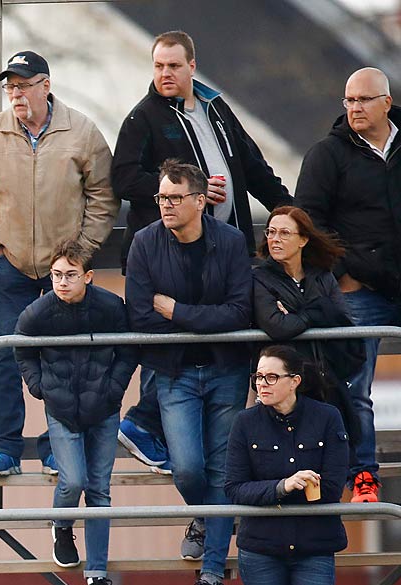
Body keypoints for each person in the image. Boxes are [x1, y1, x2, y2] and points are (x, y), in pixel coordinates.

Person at [111, 31, 292, 474]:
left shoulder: (216, 108)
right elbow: (122, 178)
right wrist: (185, 194)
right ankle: (145, 426)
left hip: (227, 247)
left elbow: (252, 166)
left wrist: (290, 214)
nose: (165, 74)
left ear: (192, 66)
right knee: (170, 350)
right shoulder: (144, 117)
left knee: (224, 341)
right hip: (166, 254)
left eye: (173, 66)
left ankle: (199, 466)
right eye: (158, 66)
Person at [0, 50, 117, 478]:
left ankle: (57, 446)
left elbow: (104, 197)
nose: (15, 94)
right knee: (6, 355)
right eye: (9, 87)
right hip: (12, 265)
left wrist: (81, 252)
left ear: (45, 86)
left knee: (63, 358)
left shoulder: (82, 131)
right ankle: (5, 448)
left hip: (65, 269)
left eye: (23, 85)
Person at [125, 159, 254, 585]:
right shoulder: (144, 242)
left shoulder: (232, 241)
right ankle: (204, 516)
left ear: (201, 201)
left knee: (221, 470)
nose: (165, 205)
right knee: (187, 468)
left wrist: (177, 312)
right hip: (175, 372)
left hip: (227, 370)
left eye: (175, 198)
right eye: (161, 197)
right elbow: (140, 314)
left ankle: (213, 573)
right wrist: (201, 321)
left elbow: (240, 312)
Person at [295, 66, 401, 503]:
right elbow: (308, 223)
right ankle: (363, 476)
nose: (354, 108)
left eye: (362, 100)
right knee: (354, 388)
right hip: (361, 291)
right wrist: (346, 274)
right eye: (348, 100)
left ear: (386, 103)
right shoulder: (327, 155)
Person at [15, 243, 139, 585]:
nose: (62, 282)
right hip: (62, 408)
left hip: (103, 407)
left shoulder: (109, 306)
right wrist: (39, 387)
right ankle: (62, 524)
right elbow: (21, 348)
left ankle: (97, 579)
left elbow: (130, 348)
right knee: (73, 480)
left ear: (87, 276)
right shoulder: (38, 311)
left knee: (99, 490)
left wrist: (115, 388)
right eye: (56, 275)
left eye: (70, 275)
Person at [225, 345, 350, 585]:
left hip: (315, 548)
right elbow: (235, 487)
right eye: (257, 377)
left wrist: (292, 490)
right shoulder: (245, 422)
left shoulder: (327, 417)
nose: (261, 384)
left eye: (270, 377)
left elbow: (334, 486)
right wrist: (282, 486)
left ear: (294, 381)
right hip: (262, 550)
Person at [252, 206, 362, 439]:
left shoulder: (322, 275)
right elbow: (278, 326)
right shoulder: (259, 277)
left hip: (325, 379)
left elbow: (341, 320)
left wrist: (296, 314)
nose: (275, 239)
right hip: (282, 383)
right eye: (270, 232)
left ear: (303, 239)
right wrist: (317, 311)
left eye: (284, 233)